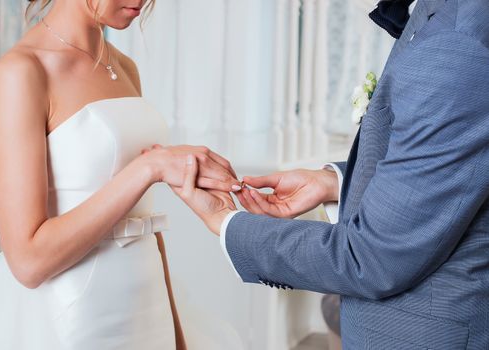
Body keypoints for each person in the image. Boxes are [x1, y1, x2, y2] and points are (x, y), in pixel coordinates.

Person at [173, 0, 489, 348]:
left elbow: (372, 258)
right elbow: (449, 167)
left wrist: (227, 222)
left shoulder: (458, 43)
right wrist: (335, 182)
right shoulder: (442, 14)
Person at [0, 0, 242, 349]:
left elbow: (145, 218)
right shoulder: (22, 71)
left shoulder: (124, 67)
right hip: (74, 320)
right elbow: (28, 261)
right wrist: (148, 168)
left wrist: (176, 334)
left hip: (146, 306)